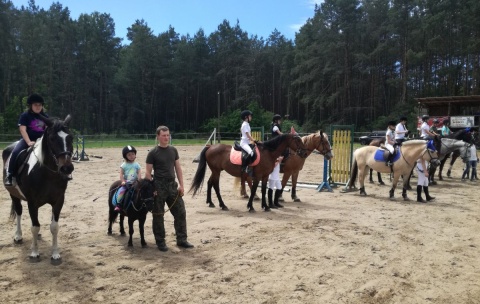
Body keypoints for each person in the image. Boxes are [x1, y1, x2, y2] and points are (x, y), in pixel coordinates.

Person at [145, 125, 193, 251]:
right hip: (159, 186)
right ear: (158, 137)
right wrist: (153, 188)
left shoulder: (173, 150)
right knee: (158, 214)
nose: (166, 138)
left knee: (181, 212)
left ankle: (182, 239)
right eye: (163, 135)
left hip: (172, 185)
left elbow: (178, 168)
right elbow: (148, 174)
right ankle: (160, 242)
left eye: (168, 135)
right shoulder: (152, 153)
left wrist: (181, 185)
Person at [5, 93, 48, 186]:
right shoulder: (25, 116)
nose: (38, 107)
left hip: (41, 141)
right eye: (35, 105)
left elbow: (48, 130)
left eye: (40, 105)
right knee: (15, 152)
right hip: (27, 140)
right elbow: (22, 129)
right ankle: (10, 175)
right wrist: (28, 142)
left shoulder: (45, 117)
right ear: (31, 106)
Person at [114, 145, 142, 212]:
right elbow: (121, 174)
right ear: (125, 156)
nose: (131, 156)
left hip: (135, 182)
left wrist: (139, 180)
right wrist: (123, 181)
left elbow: (139, 173)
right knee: (122, 191)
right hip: (127, 182)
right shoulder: (124, 165)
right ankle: (118, 204)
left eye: (133, 154)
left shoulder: (137, 165)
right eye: (129, 155)